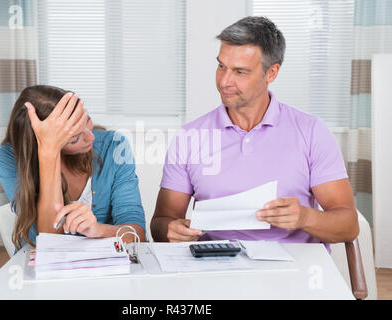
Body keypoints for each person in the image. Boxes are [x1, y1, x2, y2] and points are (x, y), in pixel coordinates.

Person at [150, 16, 359, 250]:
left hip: (294, 272)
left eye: (240, 72)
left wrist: (305, 217)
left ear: (271, 73)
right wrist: (171, 230)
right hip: (215, 268)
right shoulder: (190, 136)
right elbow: (161, 223)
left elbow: (349, 225)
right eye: (221, 66)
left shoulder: (311, 132)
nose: (224, 81)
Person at [0, 85, 146, 250]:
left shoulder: (114, 146)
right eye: (74, 139)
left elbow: (137, 235)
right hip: (42, 267)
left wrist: (98, 230)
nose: (90, 136)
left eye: (87, 120)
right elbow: (49, 240)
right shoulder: (7, 158)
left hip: (104, 265)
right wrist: (49, 153)